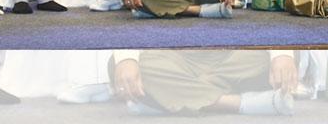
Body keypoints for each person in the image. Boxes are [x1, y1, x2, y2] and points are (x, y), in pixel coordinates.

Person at [111, 50, 298, 116]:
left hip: (232, 58)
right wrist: (127, 58)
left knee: (274, 60)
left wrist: (282, 54)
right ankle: (240, 103)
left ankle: (164, 101)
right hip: (175, 59)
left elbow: (273, 12)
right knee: (121, 63)